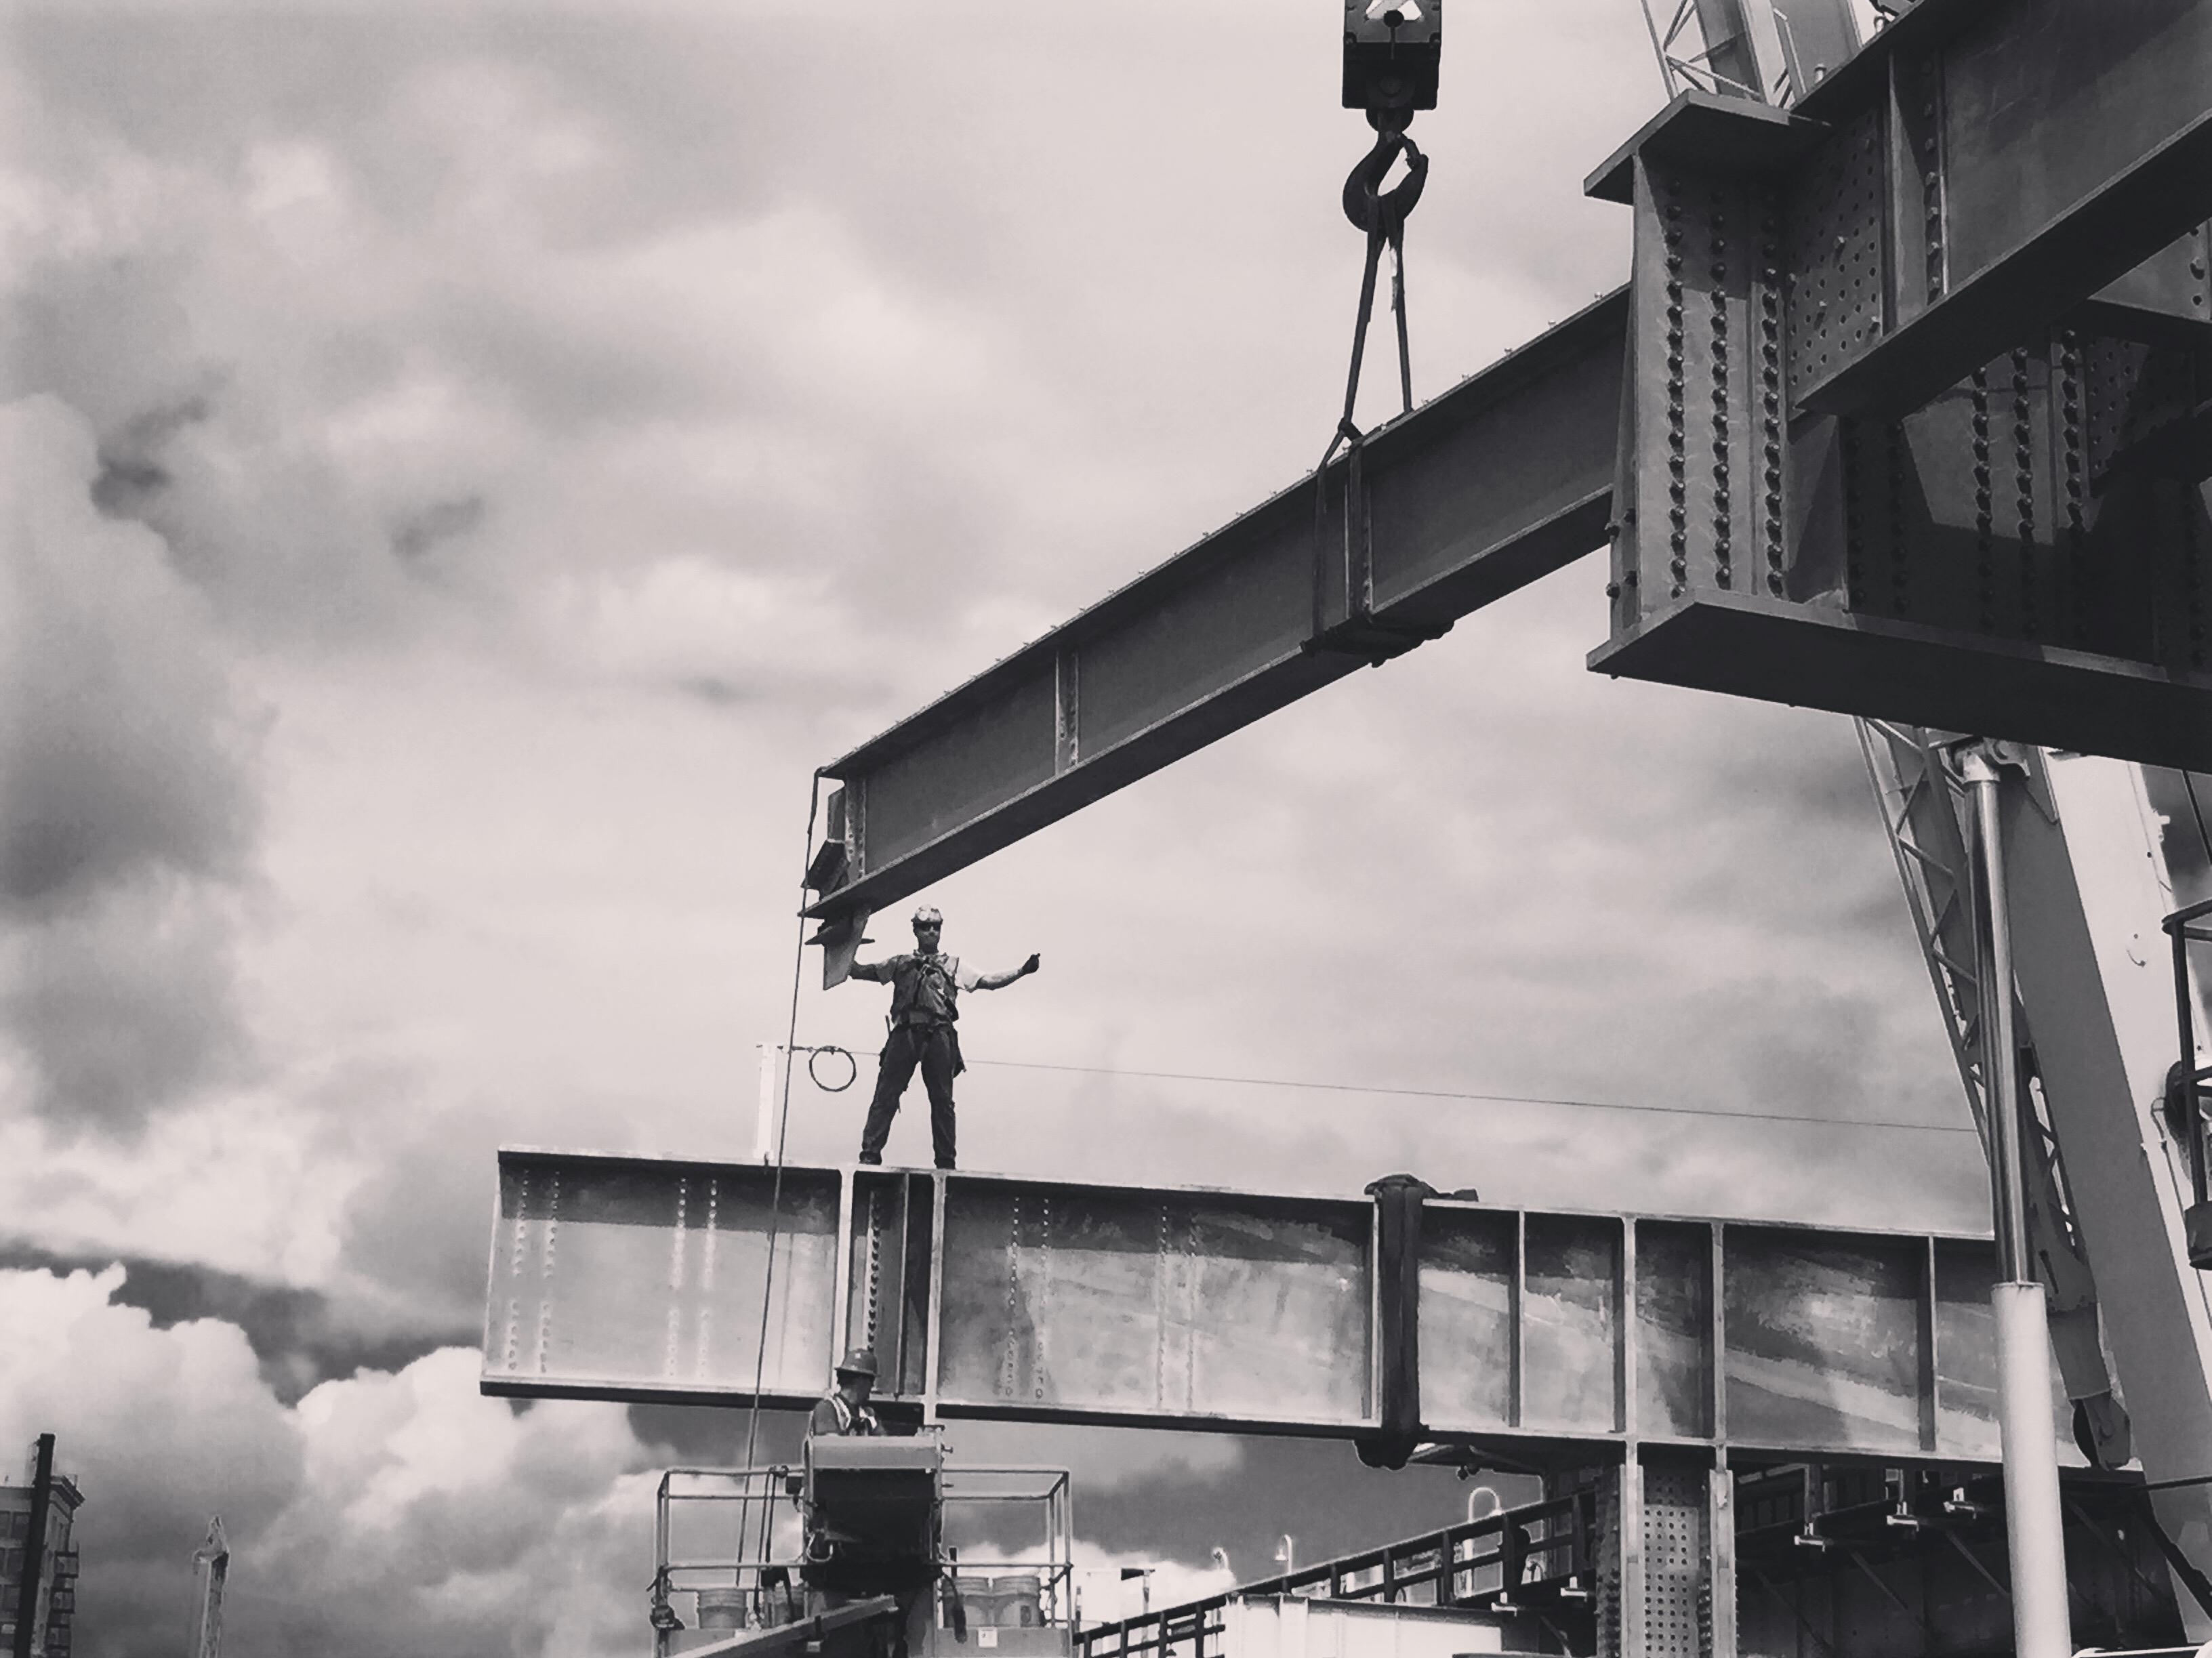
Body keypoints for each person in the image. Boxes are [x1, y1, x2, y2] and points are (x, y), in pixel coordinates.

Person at [845, 906, 1039, 1170]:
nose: (932, 931)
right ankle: (869, 1156)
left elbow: (988, 980)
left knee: (943, 1101)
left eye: (936, 926)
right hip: (905, 1035)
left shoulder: (953, 965)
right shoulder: (899, 963)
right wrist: (850, 938)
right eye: (926, 927)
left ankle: (946, 1163)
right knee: (886, 1096)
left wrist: (1021, 971)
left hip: (939, 1035)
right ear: (915, 930)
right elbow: (856, 970)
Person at [808, 1348, 886, 1437]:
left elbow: (884, 1445)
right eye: (871, 1381)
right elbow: (832, 1447)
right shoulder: (826, 1408)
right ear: (861, 1381)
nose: (872, 1387)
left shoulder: (869, 1414)